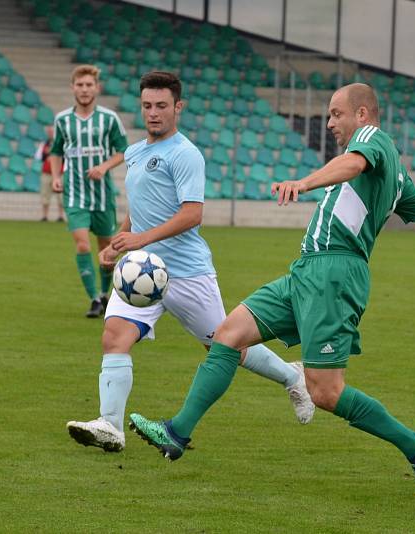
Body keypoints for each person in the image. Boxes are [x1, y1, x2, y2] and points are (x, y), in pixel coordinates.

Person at [129, 83, 415, 496]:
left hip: (335, 274)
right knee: (228, 335)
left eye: (336, 113)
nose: (330, 123)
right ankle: (177, 433)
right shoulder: (397, 176)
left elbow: (351, 166)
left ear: (363, 114)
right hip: (306, 272)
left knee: (326, 392)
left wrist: (306, 181)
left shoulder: (372, 141)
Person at [65, 71, 314, 453]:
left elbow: (192, 214)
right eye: (147, 106)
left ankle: (292, 376)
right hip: (140, 273)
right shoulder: (133, 152)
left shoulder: (185, 154)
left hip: (186, 273)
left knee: (225, 345)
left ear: (177, 107)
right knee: (114, 336)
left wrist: (140, 240)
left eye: (162, 106)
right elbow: (139, 206)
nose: (153, 113)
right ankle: (111, 426)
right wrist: (120, 241)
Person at [50, 64, 127, 318]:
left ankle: (106, 295)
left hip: (103, 194)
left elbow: (123, 151)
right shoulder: (63, 120)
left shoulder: (109, 119)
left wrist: (104, 167)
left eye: (88, 85)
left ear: (97, 88)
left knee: (106, 248)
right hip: (74, 194)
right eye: (80, 85)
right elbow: (56, 152)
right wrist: (55, 176)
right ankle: (94, 298)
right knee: (82, 245)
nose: (84, 90)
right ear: (73, 88)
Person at [35, 125, 65, 222]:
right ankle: (45, 215)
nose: (50, 134)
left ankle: (61, 216)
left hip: (59, 173)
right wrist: (46, 155)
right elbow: (38, 157)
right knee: (45, 195)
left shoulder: (62, 143)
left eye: (52, 132)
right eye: (49, 132)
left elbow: (65, 157)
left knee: (61, 196)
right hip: (46, 173)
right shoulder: (44, 144)